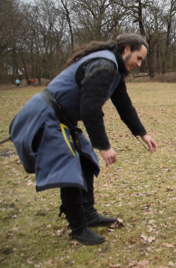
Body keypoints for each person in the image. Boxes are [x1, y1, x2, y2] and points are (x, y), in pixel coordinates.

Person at [9, 33, 158, 245]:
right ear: (126, 50)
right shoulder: (104, 65)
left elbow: (124, 105)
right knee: (69, 167)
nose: (140, 64)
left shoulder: (114, 68)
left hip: (62, 118)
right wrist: (104, 146)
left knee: (86, 160)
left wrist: (142, 134)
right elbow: (90, 109)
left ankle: (88, 214)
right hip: (45, 115)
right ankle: (78, 228)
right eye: (139, 58)